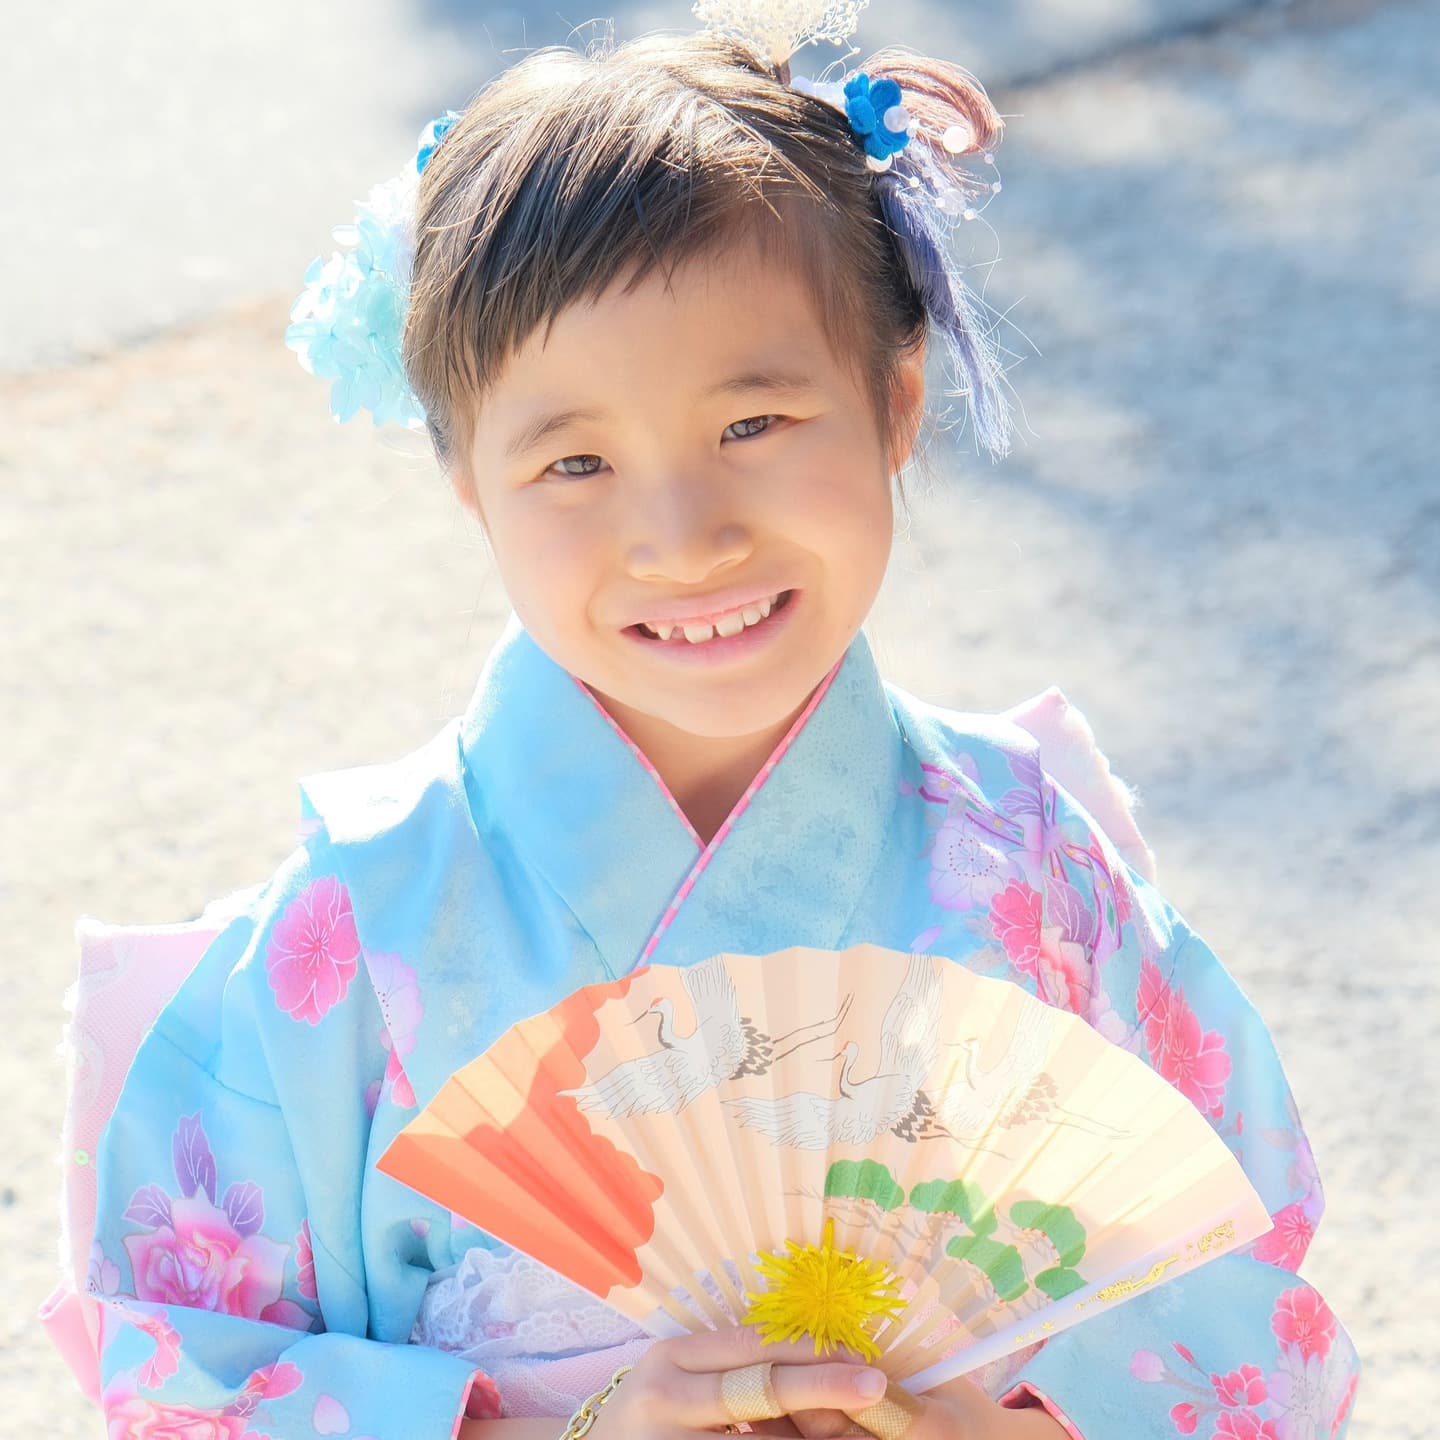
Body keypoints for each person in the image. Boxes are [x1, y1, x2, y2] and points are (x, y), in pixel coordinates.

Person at [83, 4, 1360, 1438]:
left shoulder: (1033, 865)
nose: (684, 539)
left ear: (893, 401)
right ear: (468, 484)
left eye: (753, 424)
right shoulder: (357, 929)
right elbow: (179, 1373)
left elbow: (1244, 1288)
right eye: (574, 460)